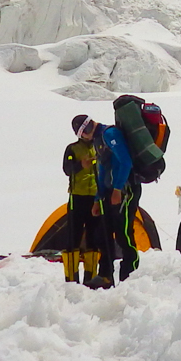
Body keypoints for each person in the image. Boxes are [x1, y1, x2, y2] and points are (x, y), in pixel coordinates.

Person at [61, 116, 106, 285]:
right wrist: (81, 165)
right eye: (83, 131)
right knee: (74, 237)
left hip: (95, 197)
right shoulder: (72, 149)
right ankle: (71, 279)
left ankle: (90, 277)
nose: (87, 134)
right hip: (77, 197)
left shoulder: (99, 145)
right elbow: (66, 169)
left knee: (93, 237)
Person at [95, 113, 137, 287]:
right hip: (111, 191)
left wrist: (118, 188)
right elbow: (102, 169)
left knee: (123, 233)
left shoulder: (109, 134)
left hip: (125, 189)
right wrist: (98, 198)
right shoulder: (99, 139)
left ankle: (129, 277)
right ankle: (105, 275)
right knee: (104, 233)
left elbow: (126, 162)